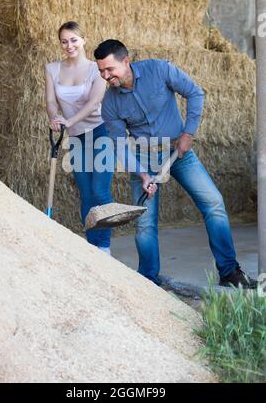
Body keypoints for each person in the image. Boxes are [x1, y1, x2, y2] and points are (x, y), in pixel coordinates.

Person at [93, 39, 257, 288]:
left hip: (179, 153)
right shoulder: (110, 103)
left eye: (109, 69)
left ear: (126, 61)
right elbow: (119, 145)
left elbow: (195, 92)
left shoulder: (159, 69)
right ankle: (149, 279)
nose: (106, 76)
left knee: (214, 203)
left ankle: (229, 271)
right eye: (101, 71)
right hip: (144, 159)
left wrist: (188, 133)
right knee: (145, 223)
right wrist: (142, 175)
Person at [45, 21, 113, 254]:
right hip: (76, 138)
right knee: (85, 192)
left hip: (100, 133)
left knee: (99, 191)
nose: (69, 45)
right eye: (64, 41)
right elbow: (52, 101)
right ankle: (91, 247)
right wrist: (55, 118)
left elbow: (95, 101)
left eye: (74, 39)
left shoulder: (97, 69)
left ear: (83, 40)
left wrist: (70, 121)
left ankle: (104, 247)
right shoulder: (52, 69)